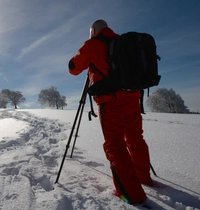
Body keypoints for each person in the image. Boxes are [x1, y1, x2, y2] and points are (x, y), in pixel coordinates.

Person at [68, 19, 153, 204]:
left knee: (115, 144)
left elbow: (74, 69)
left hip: (110, 101)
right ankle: (143, 177)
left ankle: (132, 194)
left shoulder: (92, 44)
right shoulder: (124, 42)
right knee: (135, 137)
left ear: (93, 31)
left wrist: (74, 61)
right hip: (132, 98)